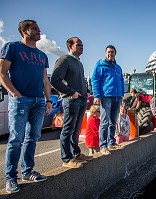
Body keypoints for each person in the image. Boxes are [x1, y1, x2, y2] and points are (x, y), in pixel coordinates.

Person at [0, 20, 52, 193]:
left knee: (33, 137)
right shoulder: (12, 47)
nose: (39, 31)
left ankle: (27, 171)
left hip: (38, 101)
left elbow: (46, 80)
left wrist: (48, 100)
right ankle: (10, 178)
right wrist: (15, 93)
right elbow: (2, 72)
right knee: (16, 139)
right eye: (35, 29)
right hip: (21, 100)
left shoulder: (42, 55)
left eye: (39, 28)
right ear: (24, 31)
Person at [51, 37, 92, 169]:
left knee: (76, 130)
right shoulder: (64, 60)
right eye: (78, 44)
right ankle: (67, 158)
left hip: (81, 100)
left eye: (82, 44)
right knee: (68, 129)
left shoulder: (79, 63)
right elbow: (55, 80)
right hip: (71, 100)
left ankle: (76, 154)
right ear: (70, 46)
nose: (81, 47)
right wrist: (71, 92)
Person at [91, 45, 124, 156]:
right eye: (108, 52)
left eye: (112, 52)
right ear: (105, 53)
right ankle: (103, 146)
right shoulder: (100, 65)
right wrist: (96, 95)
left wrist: (122, 94)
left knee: (113, 121)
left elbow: (121, 80)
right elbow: (95, 79)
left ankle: (111, 142)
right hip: (106, 96)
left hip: (117, 97)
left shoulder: (118, 67)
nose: (110, 54)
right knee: (104, 122)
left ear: (115, 54)